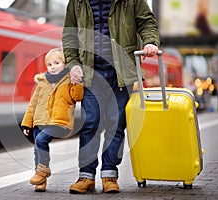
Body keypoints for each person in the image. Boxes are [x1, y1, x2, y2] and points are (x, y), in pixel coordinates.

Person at [62, 0, 159, 194]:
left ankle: (109, 175)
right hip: (90, 73)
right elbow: (70, 34)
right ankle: (86, 176)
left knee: (116, 125)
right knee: (90, 124)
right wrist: (73, 63)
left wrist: (149, 41)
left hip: (120, 72)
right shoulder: (77, 2)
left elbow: (147, 21)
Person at [21, 48, 84, 192]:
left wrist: (78, 83)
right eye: (49, 64)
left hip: (58, 122)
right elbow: (33, 104)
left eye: (57, 62)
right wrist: (27, 123)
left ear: (65, 63)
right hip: (39, 121)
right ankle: (41, 180)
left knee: (41, 140)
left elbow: (77, 97)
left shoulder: (69, 80)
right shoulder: (42, 82)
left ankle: (42, 171)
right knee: (38, 148)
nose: (53, 66)